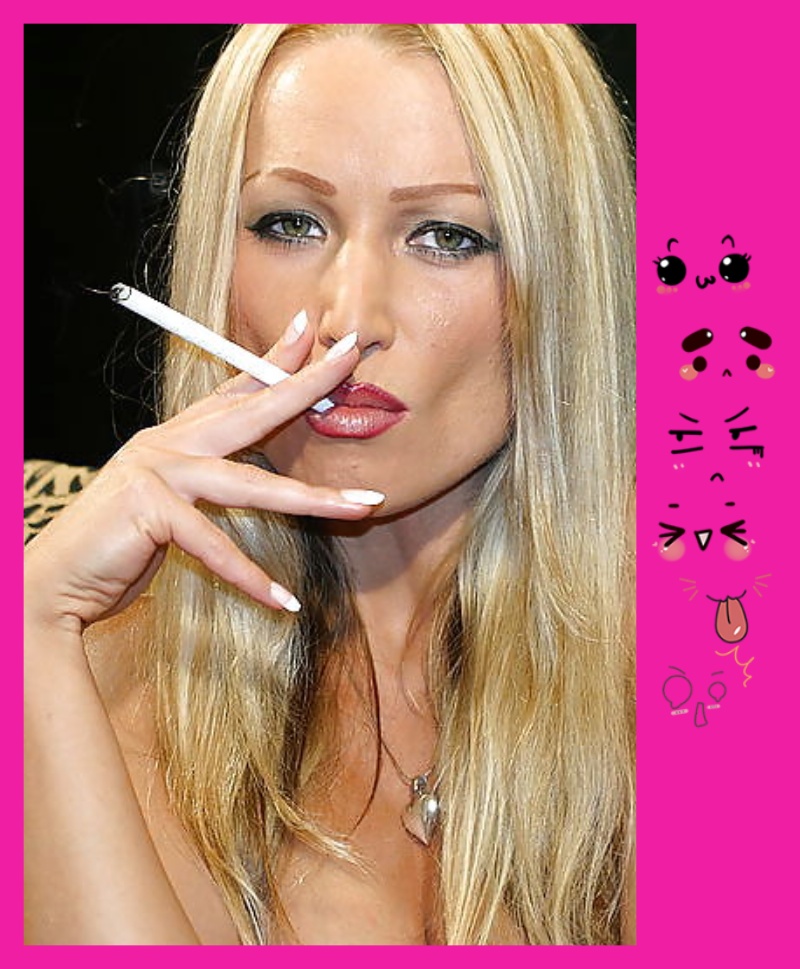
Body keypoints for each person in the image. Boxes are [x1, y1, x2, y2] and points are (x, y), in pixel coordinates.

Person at [24, 23, 635, 945]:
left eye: (446, 235)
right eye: (291, 225)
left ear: (566, 283)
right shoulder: (92, 679)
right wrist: (35, 630)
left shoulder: (705, 652)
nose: (350, 317)